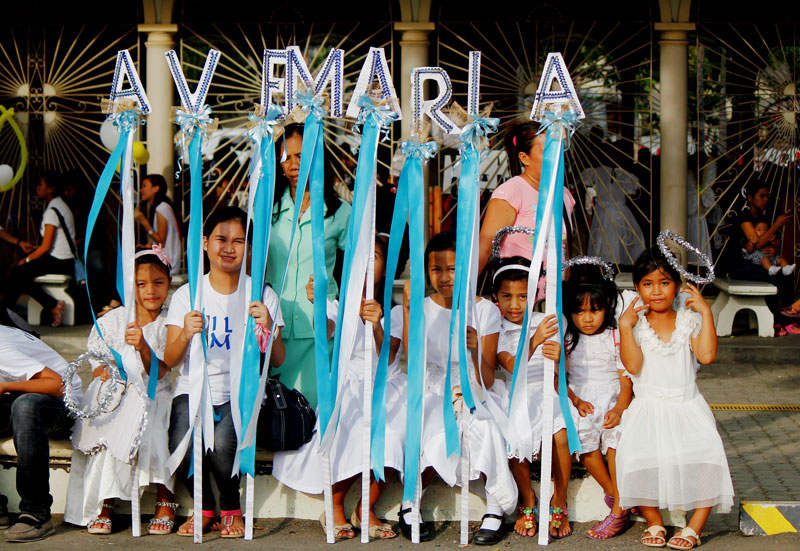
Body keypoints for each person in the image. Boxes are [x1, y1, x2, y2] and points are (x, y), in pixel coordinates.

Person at [272, 237, 404, 540]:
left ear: (386, 266)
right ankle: (333, 505)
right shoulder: (338, 305)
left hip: (384, 385)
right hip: (348, 386)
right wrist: (317, 301)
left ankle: (366, 507)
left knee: (393, 435)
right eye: (364, 256)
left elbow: (390, 355)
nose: (371, 262)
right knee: (349, 430)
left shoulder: (393, 310)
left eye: (378, 256)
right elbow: (326, 329)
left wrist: (377, 325)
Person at [165, 206, 285, 537]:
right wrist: (187, 333)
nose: (229, 248)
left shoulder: (261, 295)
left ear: (249, 248)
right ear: (205, 243)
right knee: (180, 439)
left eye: (238, 241)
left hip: (240, 392)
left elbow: (278, 360)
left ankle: (230, 507)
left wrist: (268, 326)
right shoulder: (188, 294)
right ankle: (204, 508)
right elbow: (171, 358)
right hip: (193, 388)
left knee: (222, 441)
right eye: (221, 239)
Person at [398, 232, 517, 545]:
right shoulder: (420, 306)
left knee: (485, 424)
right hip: (431, 385)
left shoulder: (485, 311)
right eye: (436, 270)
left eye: (452, 268)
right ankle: (410, 502)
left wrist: (476, 351)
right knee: (423, 423)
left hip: (473, 384)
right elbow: (411, 364)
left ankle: (495, 508)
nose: (444, 277)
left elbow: (489, 378)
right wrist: (409, 309)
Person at [616, 247, 734, 549]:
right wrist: (624, 327)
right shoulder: (635, 324)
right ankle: (654, 521)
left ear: (678, 286)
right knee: (634, 459)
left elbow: (707, 355)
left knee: (709, 456)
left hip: (687, 405)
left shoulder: (688, 319)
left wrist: (706, 312)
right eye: (647, 284)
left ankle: (694, 527)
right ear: (637, 288)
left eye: (665, 282)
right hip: (648, 407)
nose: (656, 291)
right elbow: (633, 366)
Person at [65, 248, 177, 535]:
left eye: (158, 283)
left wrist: (142, 347)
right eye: (141, 284)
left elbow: (162, 371)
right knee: (112, 422)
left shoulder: (169, 323)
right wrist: (106, 372)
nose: (150, 291)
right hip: (117, 393)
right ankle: (106, 502)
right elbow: (98, 365)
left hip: (155, 392)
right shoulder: (111, 321)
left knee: (153, 423)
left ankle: (165, 497)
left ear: (169, 282)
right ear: (130, 286)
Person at [491, 256, 578, 540]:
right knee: (514, 435)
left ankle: (559, 499)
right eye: (507, 296)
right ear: (496, 297)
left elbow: (560, 369)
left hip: (546, 390)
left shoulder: (550, 320)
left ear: (536, 294)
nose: (515, 305)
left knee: (561, 434)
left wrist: (557, 359)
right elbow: (511, 367)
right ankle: (528, 498)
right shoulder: (497, 329)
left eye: (523, 296)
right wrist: (536, 340)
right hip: (516, 393)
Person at [267, 123, 351, 409]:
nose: (292, 165)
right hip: (274, 328)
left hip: (318, 327)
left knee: (314, 417)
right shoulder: (266, 208)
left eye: (300, 156)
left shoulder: (339, 211)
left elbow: (353, 271)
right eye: (286, 157)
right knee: (279, 421)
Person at [562, 270, 633, 539]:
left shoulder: (615, 337)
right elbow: (561, 380)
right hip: (582, 400)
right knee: (582, 436)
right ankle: (615, 495)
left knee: (615, 440)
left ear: (607, 307)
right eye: (579, 312)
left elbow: (626, 383)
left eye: (594, 310)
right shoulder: (569, 338)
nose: (587, 318)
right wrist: (576, 400)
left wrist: (618, 409)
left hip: (614, 398)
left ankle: (617, 508)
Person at [0, 322, 81, 542]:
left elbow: (59, 384)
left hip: (63, 403)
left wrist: (5, 387)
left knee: (24, 407)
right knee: (21, 404)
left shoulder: (1, 346)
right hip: (20, 398)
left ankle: (36, 511)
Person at [478, 121, 576, 282]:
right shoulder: (511, 192)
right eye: (547, 152)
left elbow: (564, 252)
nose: (555, 158)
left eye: (558, 151)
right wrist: (463, 299)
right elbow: (484, 248)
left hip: (555, 299)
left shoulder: (564, 194)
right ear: (524, 158)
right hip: (517, 299)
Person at [1, 173, 76, 326]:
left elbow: (46, 247)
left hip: (59, 261)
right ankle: (5, 312)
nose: (37, 189)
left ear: (50, 189)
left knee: (18, 272)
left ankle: (51, 305)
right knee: (20, 274)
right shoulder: (62, 206)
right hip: (66, 260)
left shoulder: (52, 211)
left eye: (40, 186)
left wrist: (26, 260)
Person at [728, 180, 797, 328]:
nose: (766, 200)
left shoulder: (762, 218)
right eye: (762, 196)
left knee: (786, 273)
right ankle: (775, 318)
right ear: (751, 198)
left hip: (758, 262)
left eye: (768, 197)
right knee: (773, 275)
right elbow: (757, 243)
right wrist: (777, 224)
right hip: (741, 265)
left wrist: (774, 249)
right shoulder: (744, 217)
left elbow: (768, 242)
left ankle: (785, 313)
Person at [134, 174, 182, 275]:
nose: (141, 190)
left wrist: (143, 220)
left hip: (167, 264)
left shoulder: (161, 208)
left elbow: (160, 240)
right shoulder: (163, 207)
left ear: (155, 189)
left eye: (144, 186)